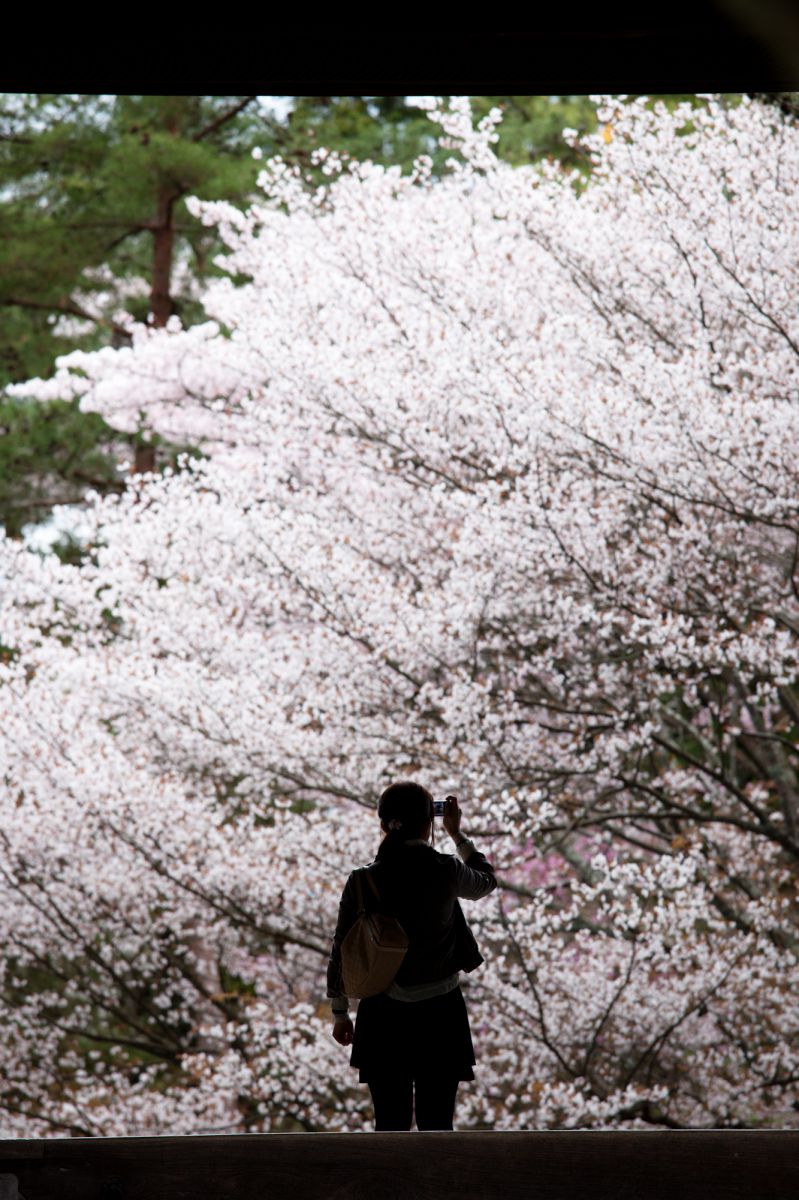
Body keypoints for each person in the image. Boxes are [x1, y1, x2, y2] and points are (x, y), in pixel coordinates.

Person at [326, 781, 498, 1131]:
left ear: (384, 824)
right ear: (428, 823)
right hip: (441, 1012)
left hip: (382, 1013)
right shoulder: (446, 869)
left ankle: (389, 1187)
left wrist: (341, 1012)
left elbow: (342, 947)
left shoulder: (362, 880)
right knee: (438, 1126)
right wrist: (457, 835)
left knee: (389, 1126)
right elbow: (486, 882)